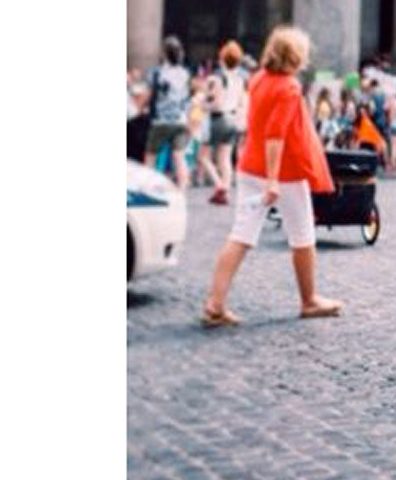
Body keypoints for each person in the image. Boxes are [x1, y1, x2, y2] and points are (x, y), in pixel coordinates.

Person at [201, 25, 343, 326]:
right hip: (283, 173)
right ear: (296, 57)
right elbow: (275, 136)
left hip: (249, 166)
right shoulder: (289, 87)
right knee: (303, 234)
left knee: (240, 235)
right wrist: (274, 180)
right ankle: (309, 300)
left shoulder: (259, 79)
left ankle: (215, 303)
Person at [197, 40, 248, 205]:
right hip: (232, 120)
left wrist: (202, 104)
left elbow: (216, 103)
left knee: (203, 156)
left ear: (222, 58)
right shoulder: (240, 79)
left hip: (218, 119)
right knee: (225, 158)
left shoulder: (217, 78)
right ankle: (224, 189)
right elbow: (242, 102)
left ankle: (220, 186)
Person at [144, 36, 194, 190]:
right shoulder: (186, 73)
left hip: (160, 121)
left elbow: (149, 94)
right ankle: (182, 189)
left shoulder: (157, 73)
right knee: (179, 156)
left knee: (150, 155)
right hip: (180, 120)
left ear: (164, 53)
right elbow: (188, 96)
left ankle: (147, 187)